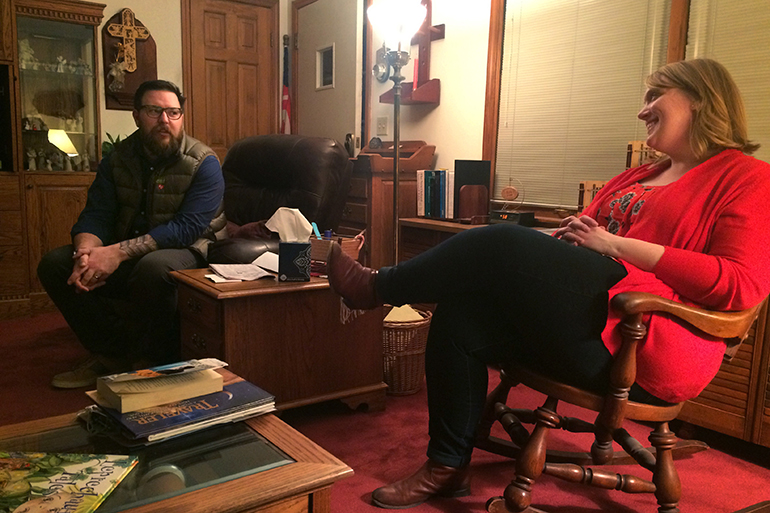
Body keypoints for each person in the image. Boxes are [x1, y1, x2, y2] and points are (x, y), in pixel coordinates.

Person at [325, 58, 770, 509]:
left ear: (699, 100)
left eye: (655, 96)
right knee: (461, 318)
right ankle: (447, 467)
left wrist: (615, 245)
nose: (642, 111)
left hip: (642, 346)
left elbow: (742, 285)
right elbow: (586, 237)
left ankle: (377, 287)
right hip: (591, 317)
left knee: (496, 241)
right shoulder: (641, 175)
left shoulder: (749, 179)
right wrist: (564, 239)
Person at [38, 80, 226, 389]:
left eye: (173, 112)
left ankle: (148, 361)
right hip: (131, 246)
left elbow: (187, 227)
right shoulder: (117, 159)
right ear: (136, 116)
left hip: (190, 247)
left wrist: (116, 253)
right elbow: (97, 213)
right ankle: (112, 355)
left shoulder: (204, 162)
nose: (165, 120)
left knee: (153, 269)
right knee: (55, 264)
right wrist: (86, 253)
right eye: (154, 111)